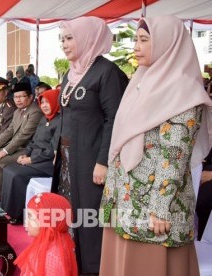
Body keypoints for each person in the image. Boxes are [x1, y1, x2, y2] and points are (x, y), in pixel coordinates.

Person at [100, 15, 212, 276]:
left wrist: (160, 209)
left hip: (156, 208)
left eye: (144, 40)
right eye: (136, 40)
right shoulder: (141, 82)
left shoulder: (184, 92)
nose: (136, 47)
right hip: (126, 198)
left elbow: (174, 156)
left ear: (167, 43)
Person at [51, 16, 128, 274]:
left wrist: (104, 161)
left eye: (70, 38)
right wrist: (58, 151)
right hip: (68, 159)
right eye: (62, 38)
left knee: (89, 219)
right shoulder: (70, 73)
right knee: (69, 216)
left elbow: (115, 118)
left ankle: (92, 270)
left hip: (91, 160)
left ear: (87, 38)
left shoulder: (106, 72)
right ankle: (71, 265)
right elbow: (64, 116)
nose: (64, 44)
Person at [1, 89, 60, 224]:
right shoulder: (43, 119)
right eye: (42, 102)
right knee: (8, 169)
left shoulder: (59, 122)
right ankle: (6, 209)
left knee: (17, 175)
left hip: (46, 164)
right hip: (35, 159)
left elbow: (52, 150)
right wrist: (25, 154)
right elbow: (33, 142)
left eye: (47, 102)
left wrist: (31, 159)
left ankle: (18, 215)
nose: (44, 105)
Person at [0, 82, 43, 201]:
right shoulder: (17, 111)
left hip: (27, 149)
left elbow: (23, 136)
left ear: (30, 97)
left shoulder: (35, 111)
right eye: (15, 97)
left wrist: (4, 151)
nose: (18, 100)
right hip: (15, 147)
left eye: (21, 97)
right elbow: (8, 132)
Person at [14, 192, 78, 276]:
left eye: (30, 216)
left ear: (47, 222)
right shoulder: (47, 244)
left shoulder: (52, 258)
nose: (26, 222)